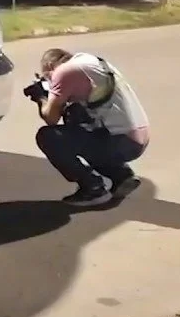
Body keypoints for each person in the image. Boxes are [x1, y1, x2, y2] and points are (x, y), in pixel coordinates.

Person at [32, 48, 150, 206]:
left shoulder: (63, 72)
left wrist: (40, 97)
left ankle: (93, 187)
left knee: (48, 137)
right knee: (74, 118)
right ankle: (121, 176)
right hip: (137, 136)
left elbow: (51, 118)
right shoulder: (92, 63)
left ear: (49, 67)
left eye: (48, 77)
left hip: (122, 141)